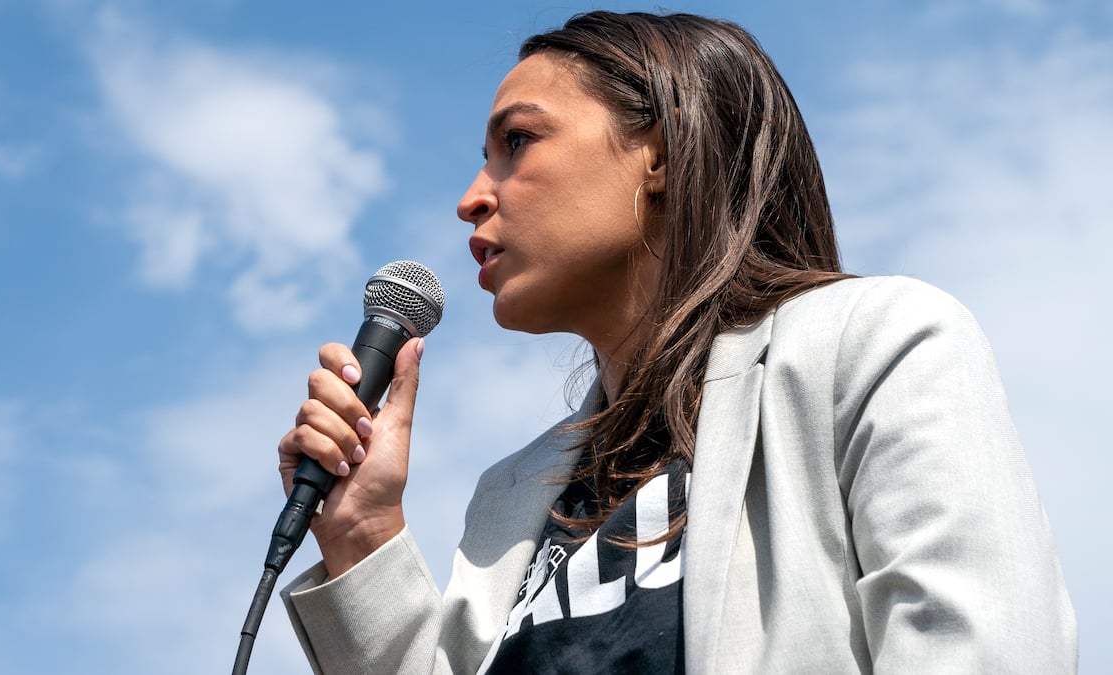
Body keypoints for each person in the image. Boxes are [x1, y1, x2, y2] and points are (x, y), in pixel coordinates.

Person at [275, 10, 1076, 674]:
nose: (471, 199)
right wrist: (361, 534)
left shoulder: (877, 347)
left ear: (660, 150)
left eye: (516, 142)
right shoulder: (513, 494)